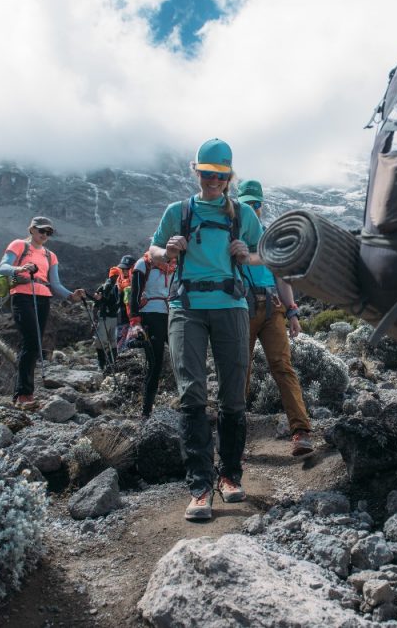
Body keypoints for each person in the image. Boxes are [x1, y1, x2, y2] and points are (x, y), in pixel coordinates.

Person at [147, 138, 263, 521]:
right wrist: (169, 251)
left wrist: (247, 254)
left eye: (220, 175)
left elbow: (266, 254)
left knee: (233, 394)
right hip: (186, 308)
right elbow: (153, 252)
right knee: (191, 393)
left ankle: (230, 475)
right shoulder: (177, 212)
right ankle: (199, 488)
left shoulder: (242, 214)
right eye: (206, 174)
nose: (213, 181)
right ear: (195, 172)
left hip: (231, 306)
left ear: (229, 176)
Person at [236, 179, 314, 457]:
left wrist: (293, 312)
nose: (251, 209)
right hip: (239, 309)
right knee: (238, 371)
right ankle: (235, 437)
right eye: (246, 204)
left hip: (272, 307)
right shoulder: (230, 238)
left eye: (255, 204)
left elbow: (282, 277)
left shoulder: (271, 238)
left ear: (261, 205)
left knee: (282, 367)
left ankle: (301, 432)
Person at [0, 216, 86, 408]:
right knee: (29, 342)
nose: (45, 234)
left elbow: (55, 284)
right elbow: (3, 267)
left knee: (35, 343)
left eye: (49, 232)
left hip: (43, 298)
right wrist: (20, 268)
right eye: (42, 230)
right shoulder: (19, 245)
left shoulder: (50, 255)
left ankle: (26, 393)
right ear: (32, 229)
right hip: (22, 295)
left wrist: (72, 296)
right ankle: (23, 394)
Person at [127, 250, 177, 417]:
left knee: (183, 359)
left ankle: (188, 404)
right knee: (155, 365)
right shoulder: (143, 264)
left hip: (171, 315)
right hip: (150, 315)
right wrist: (135, 322)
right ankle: (146, 411)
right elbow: (134, 295)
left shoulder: (174, 265)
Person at [89, 257, 128, 371]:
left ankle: (111, 364)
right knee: (101, 341)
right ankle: (102, 363)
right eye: (114, 276)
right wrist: (95, 320)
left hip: (114, 318)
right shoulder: (105, 288)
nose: (115, 278)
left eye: (117, 276)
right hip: (105, 318)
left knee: (113, 342)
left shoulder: (120, 288)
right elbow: (95, 305)